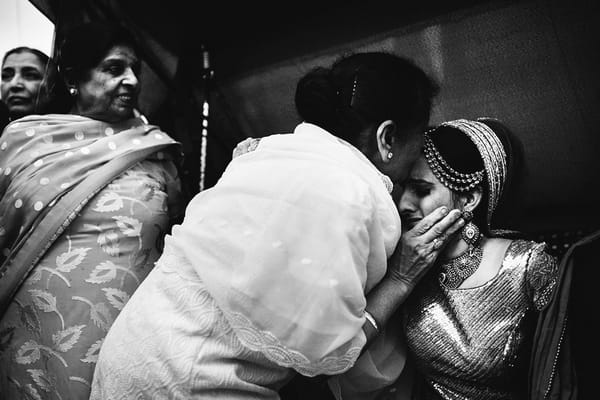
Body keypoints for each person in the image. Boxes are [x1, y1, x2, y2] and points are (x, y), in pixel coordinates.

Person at [89, 52, 464, 399]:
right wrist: (400, 279)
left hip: (129, 353)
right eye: (420, 139)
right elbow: (328, 356)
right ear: (388, 138)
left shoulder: (269, 151)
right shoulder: (355, 196)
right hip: (183, 384)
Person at [0, 22, 183, 400]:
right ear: (74, 78)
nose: (132, 81)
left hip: (125, 341)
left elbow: (175, 249)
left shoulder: (155, 151)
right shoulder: (23, 140)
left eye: (136, 71)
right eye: (115, 69)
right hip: (30, 331)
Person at [390, 118, 560, 399]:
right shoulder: (407, 264)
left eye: (421, 190)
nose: (403, 204)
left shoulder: (527, 265)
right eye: (402, 189)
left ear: (469, 198)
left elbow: (564, 368)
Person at [0, 46, 70, 126]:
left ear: (53, 87)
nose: (14, 84)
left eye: (30, 75)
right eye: (6, 76)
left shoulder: (76, 131)